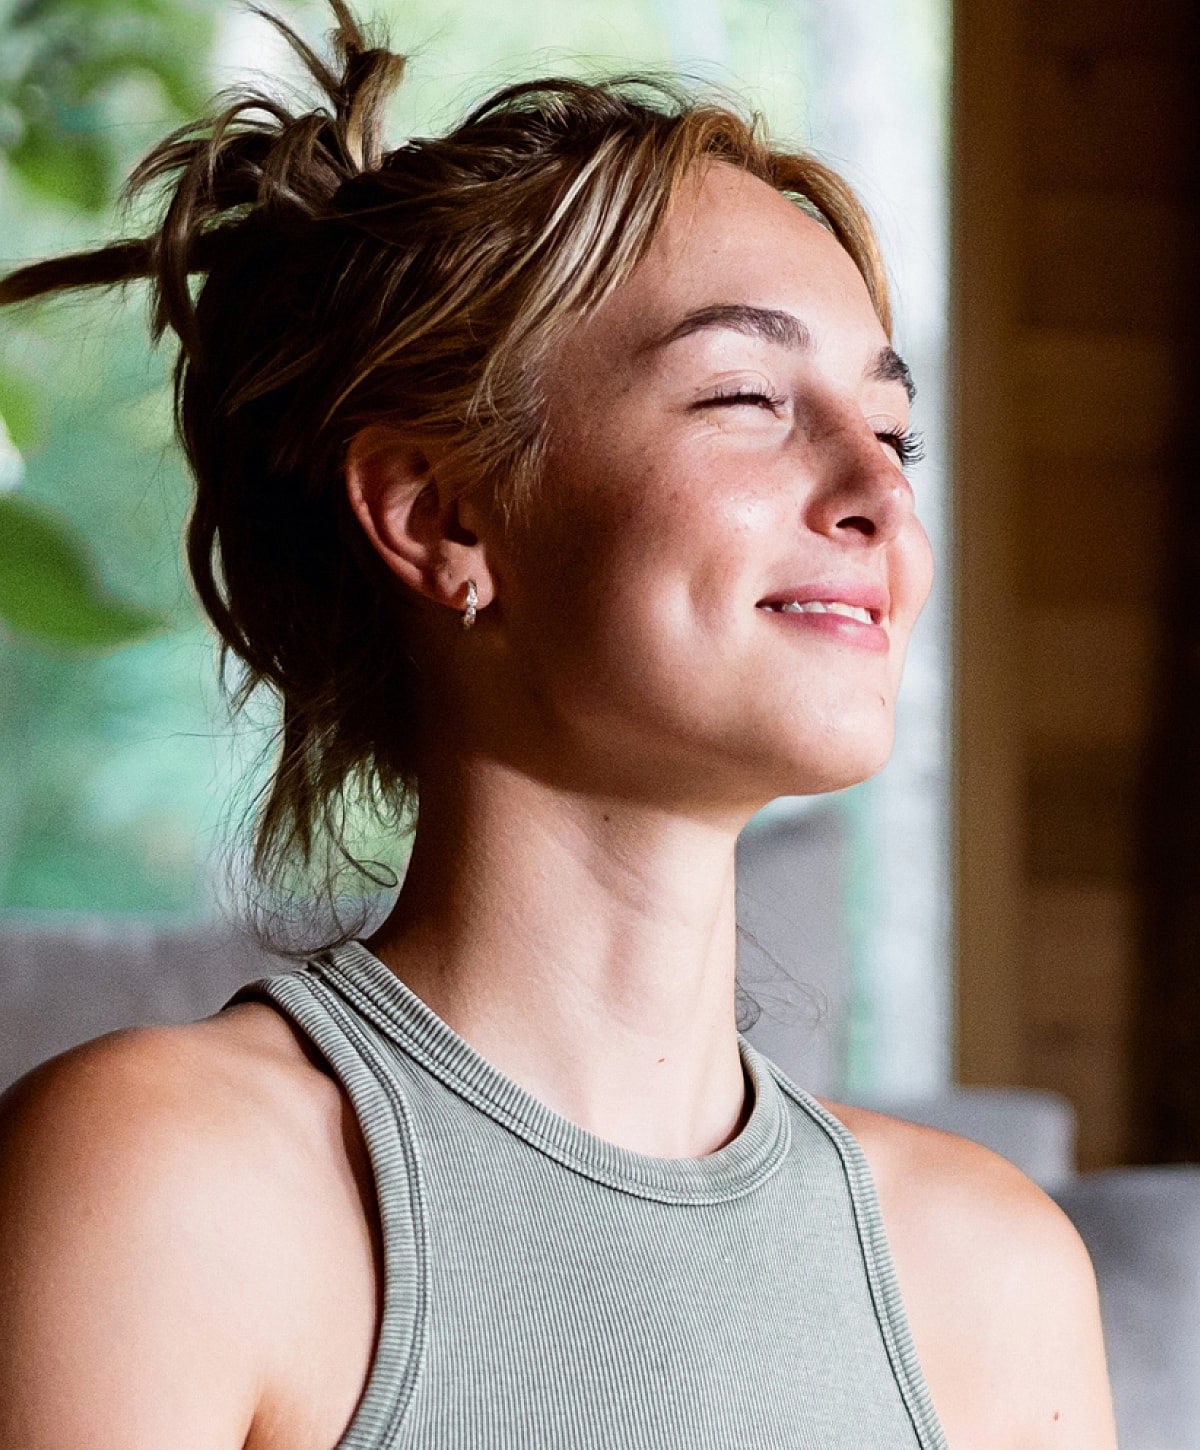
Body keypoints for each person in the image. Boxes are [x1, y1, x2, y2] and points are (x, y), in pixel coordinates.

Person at [0, 4, 1117, 1446]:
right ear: (440, 514)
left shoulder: (994, 1274)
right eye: (746, 397)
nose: (880, 497)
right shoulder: (162, 1184)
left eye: (894, 431)